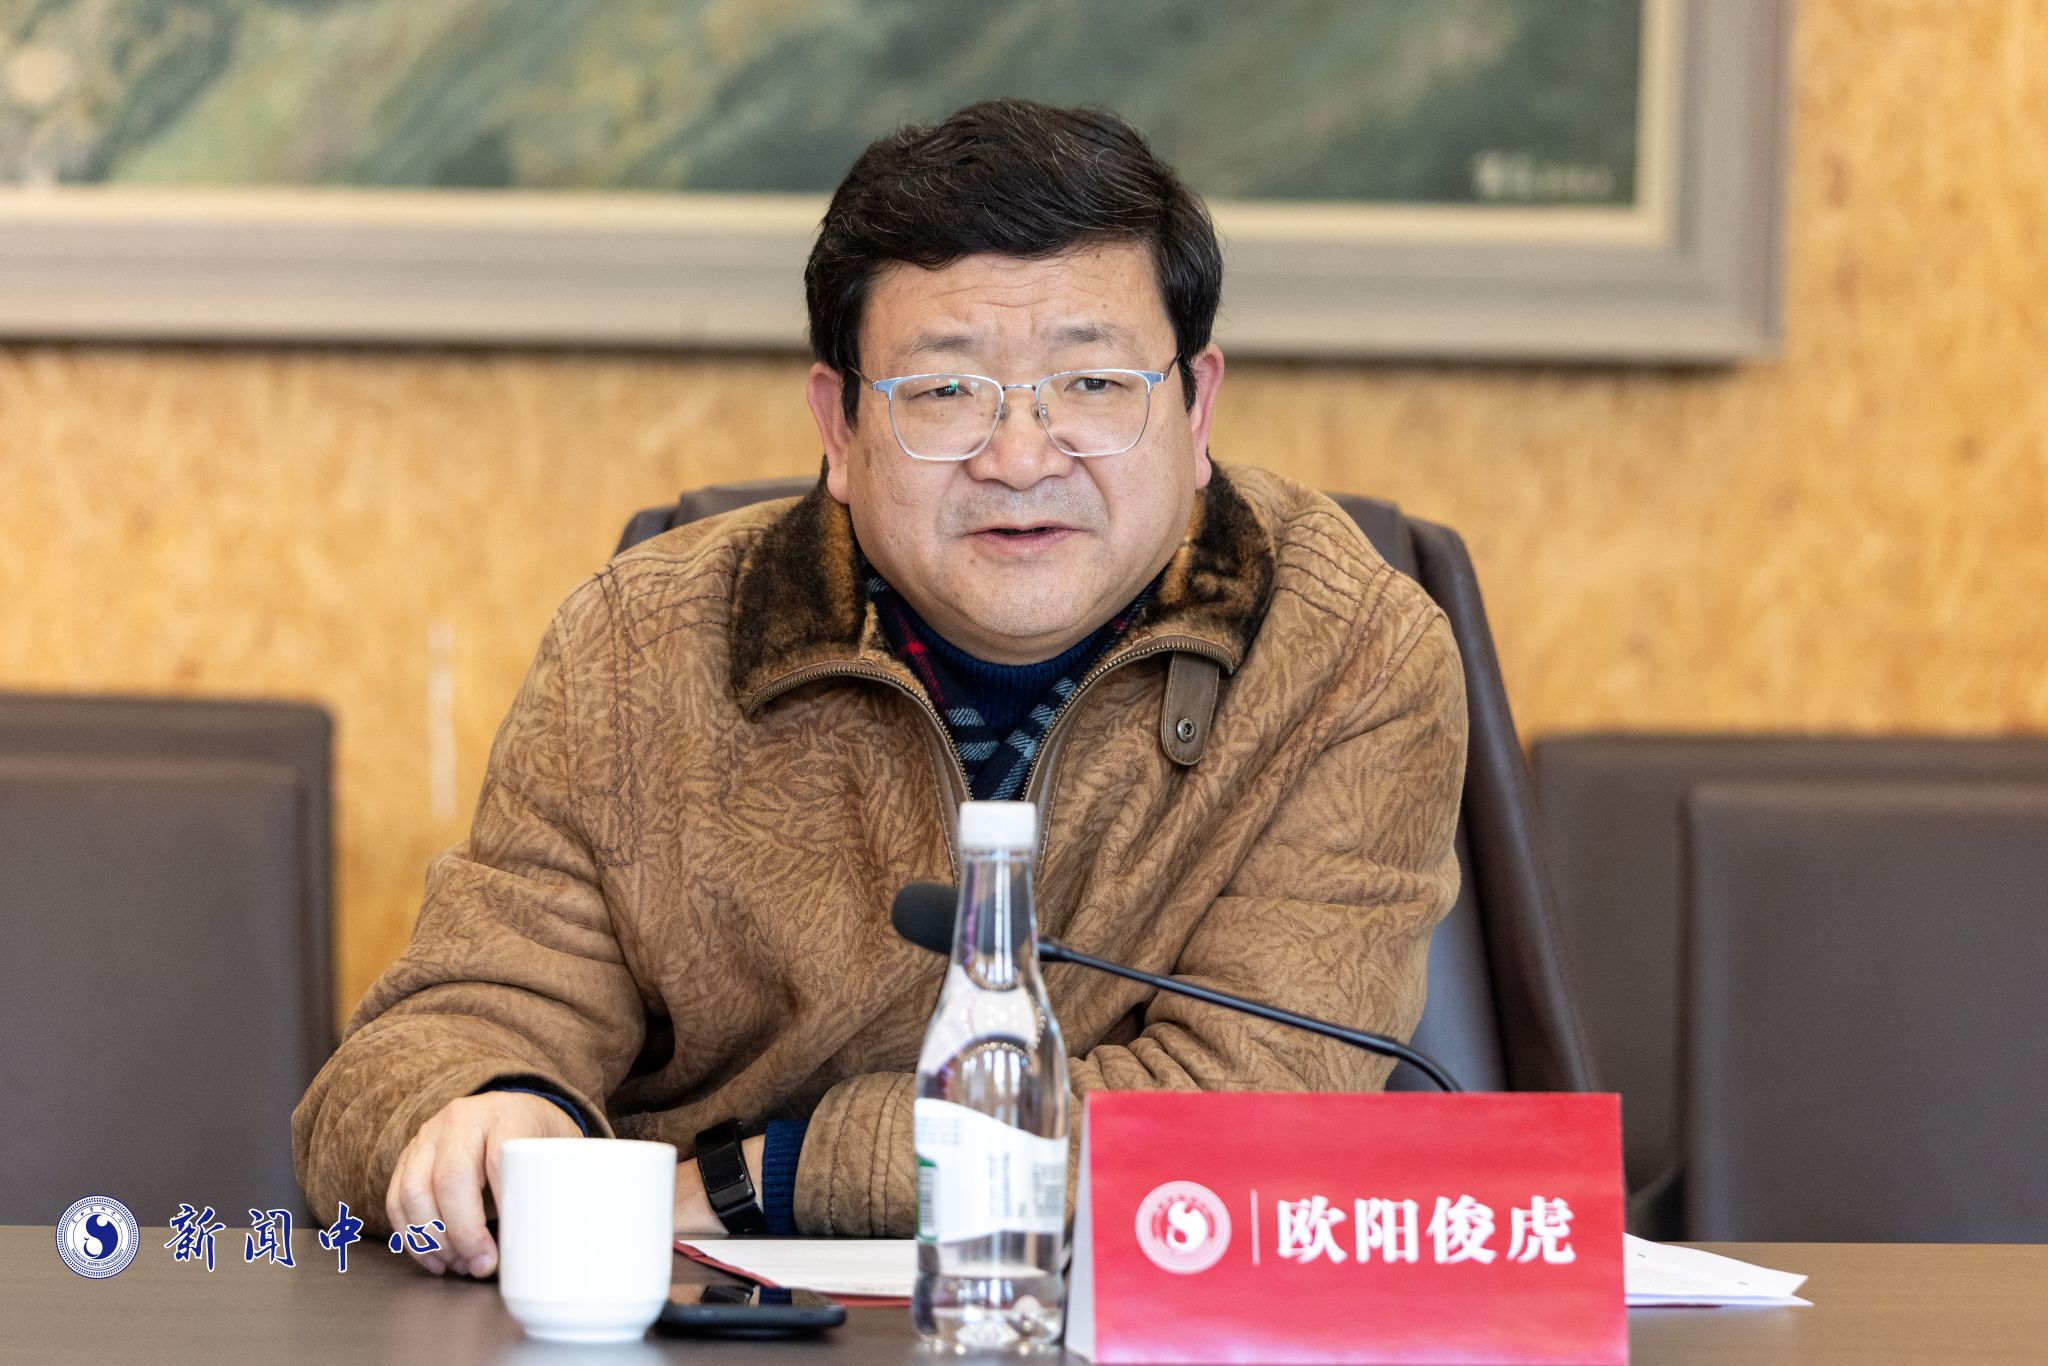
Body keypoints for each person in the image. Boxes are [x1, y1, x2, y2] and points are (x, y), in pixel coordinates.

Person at [292, 98, 1467, 1279]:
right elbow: (429, 1044)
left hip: (1115, 1315)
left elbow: (1238, 1119)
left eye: (1092, 383)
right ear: (839, 425)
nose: (1020, 456)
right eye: (944, 392)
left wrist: (778, 1175)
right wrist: (486, 1110)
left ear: (1195, 407)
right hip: (710, 1318)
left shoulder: (1347, 654)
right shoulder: (639, 647)